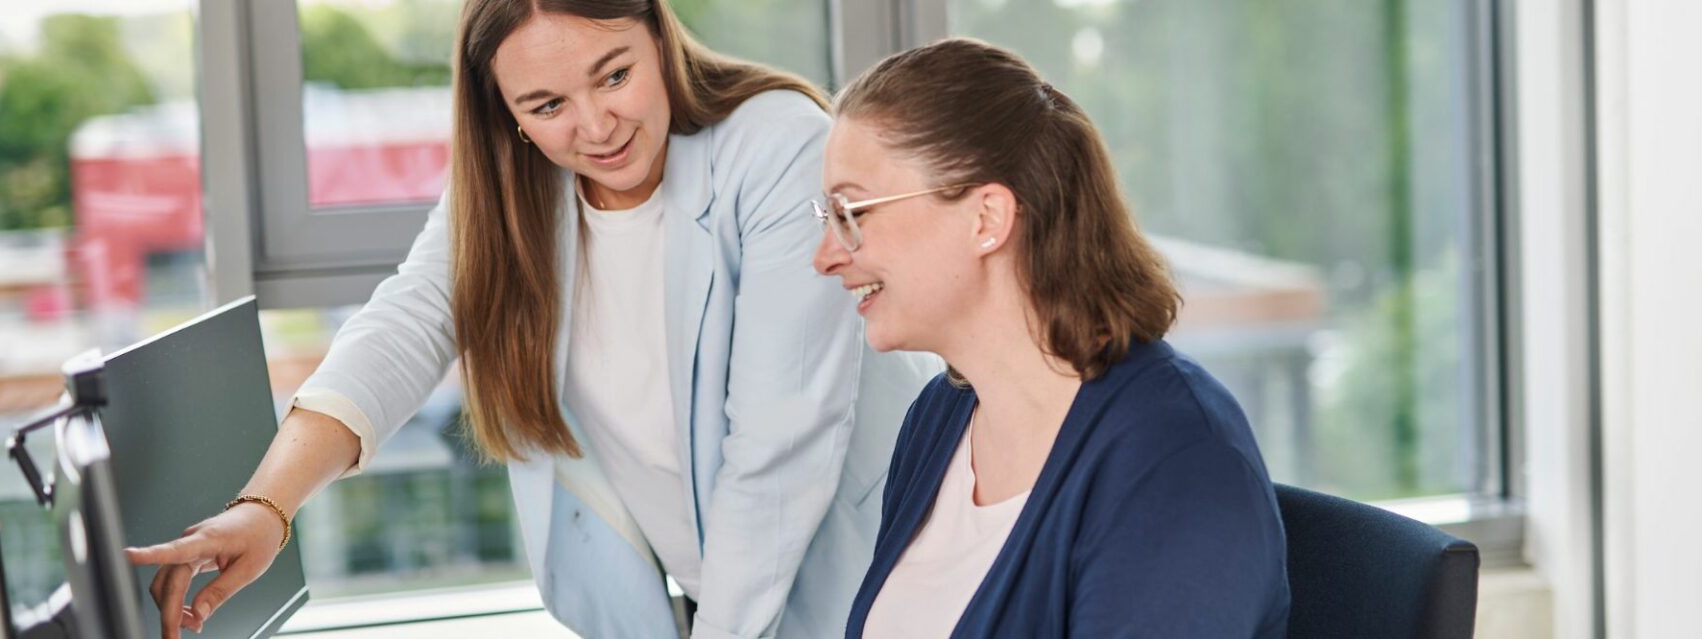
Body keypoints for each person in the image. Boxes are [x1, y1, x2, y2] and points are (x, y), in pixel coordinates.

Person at [125, 1, 936, 638]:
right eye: (546, 104)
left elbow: (779, 445)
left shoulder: (776, 145)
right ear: (505, 113)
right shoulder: (519, 194)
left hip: (893, 579)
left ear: (657, 32)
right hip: (721, 602)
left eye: (614, 75)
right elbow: (404, 327)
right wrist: (266, 506)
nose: (594, 126)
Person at [812, 38, 1291, 637]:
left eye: (852, 213)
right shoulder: (939, 419)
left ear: (986, 219)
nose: (826, 256)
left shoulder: (1178, 460)